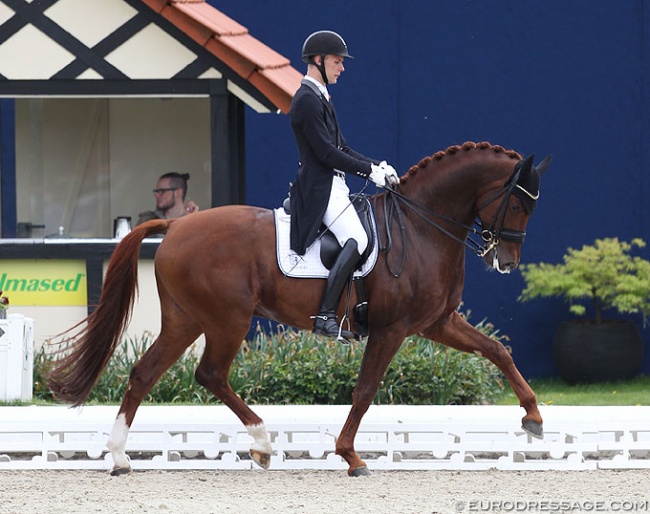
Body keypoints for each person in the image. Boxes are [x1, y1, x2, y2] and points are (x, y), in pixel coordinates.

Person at [289, 30, 399, 343]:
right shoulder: (306, 101)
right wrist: (368, 173)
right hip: (319, 189)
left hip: (333, 185)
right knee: (357, 237)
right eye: (337, 61)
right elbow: (326, 154)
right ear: (318, 60)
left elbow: (343, 148)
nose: (342, 67)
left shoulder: (321, 97)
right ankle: (325, 316)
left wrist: (376, 167)